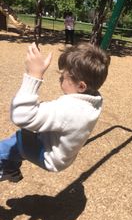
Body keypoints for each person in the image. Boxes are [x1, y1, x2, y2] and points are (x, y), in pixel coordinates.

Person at [0, 42, 110, 182]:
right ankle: (11, 168)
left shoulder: (69, 109)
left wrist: (34, 74)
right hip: (61, 156)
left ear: (81, 86)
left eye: (63, 76)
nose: (60, 78)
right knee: (19, 138)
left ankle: (8, 169)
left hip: (48, 156)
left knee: (14, 142)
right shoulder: (95, 99)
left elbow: (20, 115)